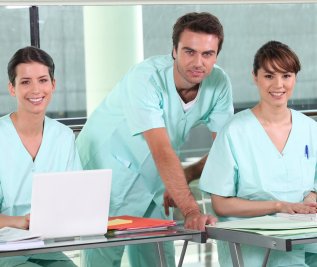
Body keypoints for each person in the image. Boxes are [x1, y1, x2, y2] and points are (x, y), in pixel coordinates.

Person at [76, 12, 233, 267]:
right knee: (103, 259)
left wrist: (187, 175)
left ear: (216, 55)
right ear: (174, 50)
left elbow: (225, 149)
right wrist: (191, 209)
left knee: (160, 260)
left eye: (208, 54)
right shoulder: (146, 78)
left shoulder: (219, 83)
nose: (198, 62)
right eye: (189, 51)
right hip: (109, 172)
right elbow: (161, 148)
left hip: (156, 178)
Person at [198, 41, 317, 267]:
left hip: (299, 237)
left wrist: (307, 203)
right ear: (255, 77)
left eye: (286, 75)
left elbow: (312, 188)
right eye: (269, 76)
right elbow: (221, 205)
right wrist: (279, 206)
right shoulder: (234, 131)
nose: (278, 85)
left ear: (295, 77)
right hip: (251, 241)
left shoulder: (310, 128)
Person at [0, 46, 82, 267]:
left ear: (53, 85)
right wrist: (24, 222)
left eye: (43, 80)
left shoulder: (63, 137)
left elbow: (73, 199)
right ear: (12, 88)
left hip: (43, 247)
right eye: (25, 82)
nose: (36, 90)